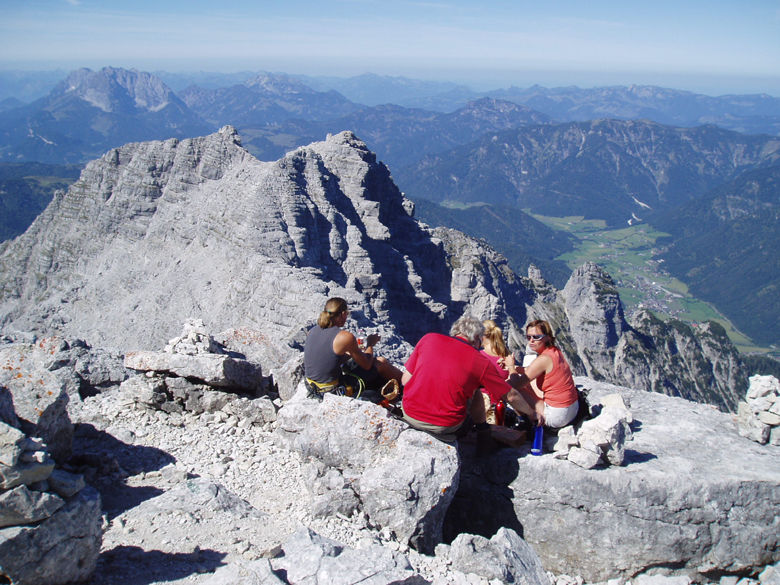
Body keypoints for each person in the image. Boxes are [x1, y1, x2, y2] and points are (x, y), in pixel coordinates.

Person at [401, 315, 539, 443]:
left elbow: (405, 380)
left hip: (409, 414)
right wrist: (532, 414)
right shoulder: (479, 361)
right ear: (477, 338)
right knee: (477, 393)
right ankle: (483, 434)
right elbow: (511, 396)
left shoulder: (429, 338)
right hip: (444, 426)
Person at [304, 297, 403, 400]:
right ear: (342, 314)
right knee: (381, 362)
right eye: (347, 314)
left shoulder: (312, 331)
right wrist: (370, 344)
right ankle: (407, 384)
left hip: (312, 387)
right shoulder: (345, 337)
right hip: (332, 391)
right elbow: (367, 365)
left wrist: (351, 352)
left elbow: (328, 358)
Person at [502, 319, 579, 429]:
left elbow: (517, 384)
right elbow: (532, 370)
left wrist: (510, 367)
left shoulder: (543, 359)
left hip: (557, 416)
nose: (531, 341)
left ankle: (525, 422)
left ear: (547, 337)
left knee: (509, 385)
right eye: (529, 337)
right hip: (572, 409)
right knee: (527, 382)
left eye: (536, 337)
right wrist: (515, 368)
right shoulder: (554, 351)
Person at [480, 319, 511, 424]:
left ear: (482, 336)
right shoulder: (506, 354)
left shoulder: (480, 356)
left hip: (483, 405)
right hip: (500, 404)